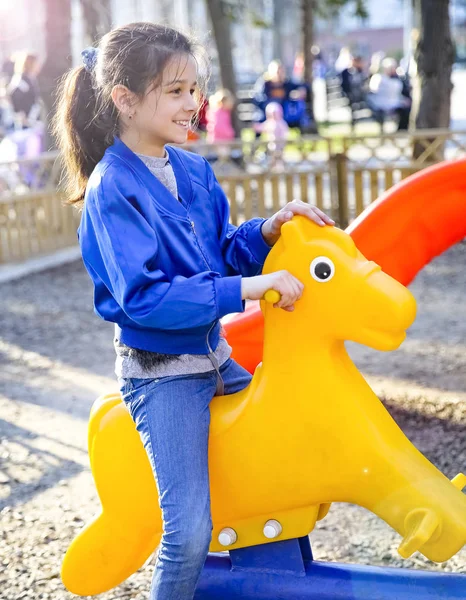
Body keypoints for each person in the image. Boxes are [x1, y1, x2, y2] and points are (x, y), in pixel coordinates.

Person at [53, 22, 334, 600]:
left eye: (194, 89)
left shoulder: (192, 171)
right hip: (162, 375)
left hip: (215, 359)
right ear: (125, 99)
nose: (193, 104)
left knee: (278, 455)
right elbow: (145, 298)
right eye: (176, 91)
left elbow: (222, 252)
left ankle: (272, 579)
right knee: (187, 532)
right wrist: (250, 290)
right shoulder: (113, 188)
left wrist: (268, 228)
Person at [366, 57, 411, 131]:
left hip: (394, 101)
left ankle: (402, 129)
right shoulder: (379, 78)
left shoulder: (397, 79)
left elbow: (397, 93)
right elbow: (374, 90)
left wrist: (403, 100)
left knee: (407, 108)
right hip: (382, 102)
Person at [7, 52, 41, 129]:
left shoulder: (31, 78)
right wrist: (20, 114)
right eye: (36, 63)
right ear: (29, 64)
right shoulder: (21, 79)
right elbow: (14, 95)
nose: (38, 66)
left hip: (33, 120)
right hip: (25, 124)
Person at [254, 102, 289, 168]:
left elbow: (285, 132)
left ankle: (282, 168)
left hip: (280, 144)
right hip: (271, 144)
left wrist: (284, 139)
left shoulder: (281, 123)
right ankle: (273, 168)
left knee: (280, 157)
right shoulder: (269, 122)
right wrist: (257, 127)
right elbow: (263, 127)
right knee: (272, 157)